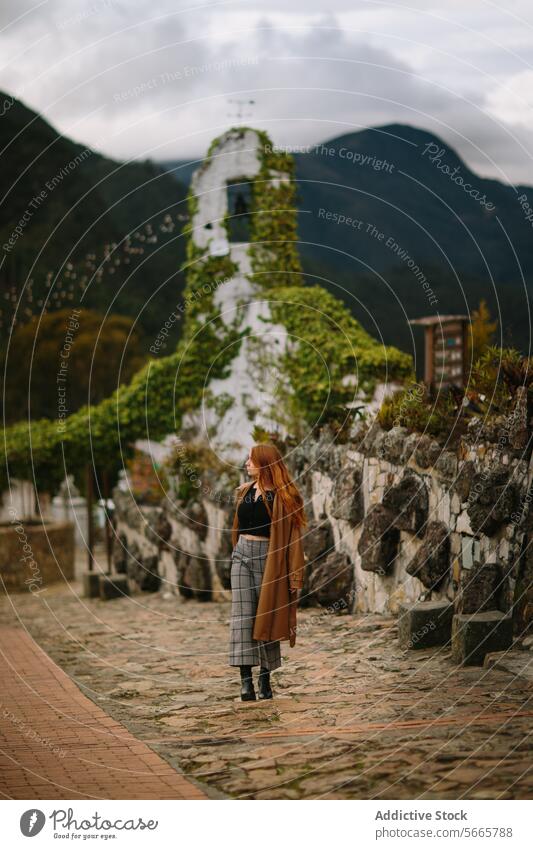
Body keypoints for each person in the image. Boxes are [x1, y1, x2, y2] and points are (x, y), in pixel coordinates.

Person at [229, 442, 307, 701]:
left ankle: (265, 678)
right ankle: (245, 681)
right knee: (242, 617)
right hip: (241, 555)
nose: (247, 464)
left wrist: (295, 576)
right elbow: (237, 528)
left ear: (265, 463)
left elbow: (295, 540)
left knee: (267, 619)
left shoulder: (284, 497)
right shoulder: (243, 491)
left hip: (269, 559)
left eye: (252, 460)